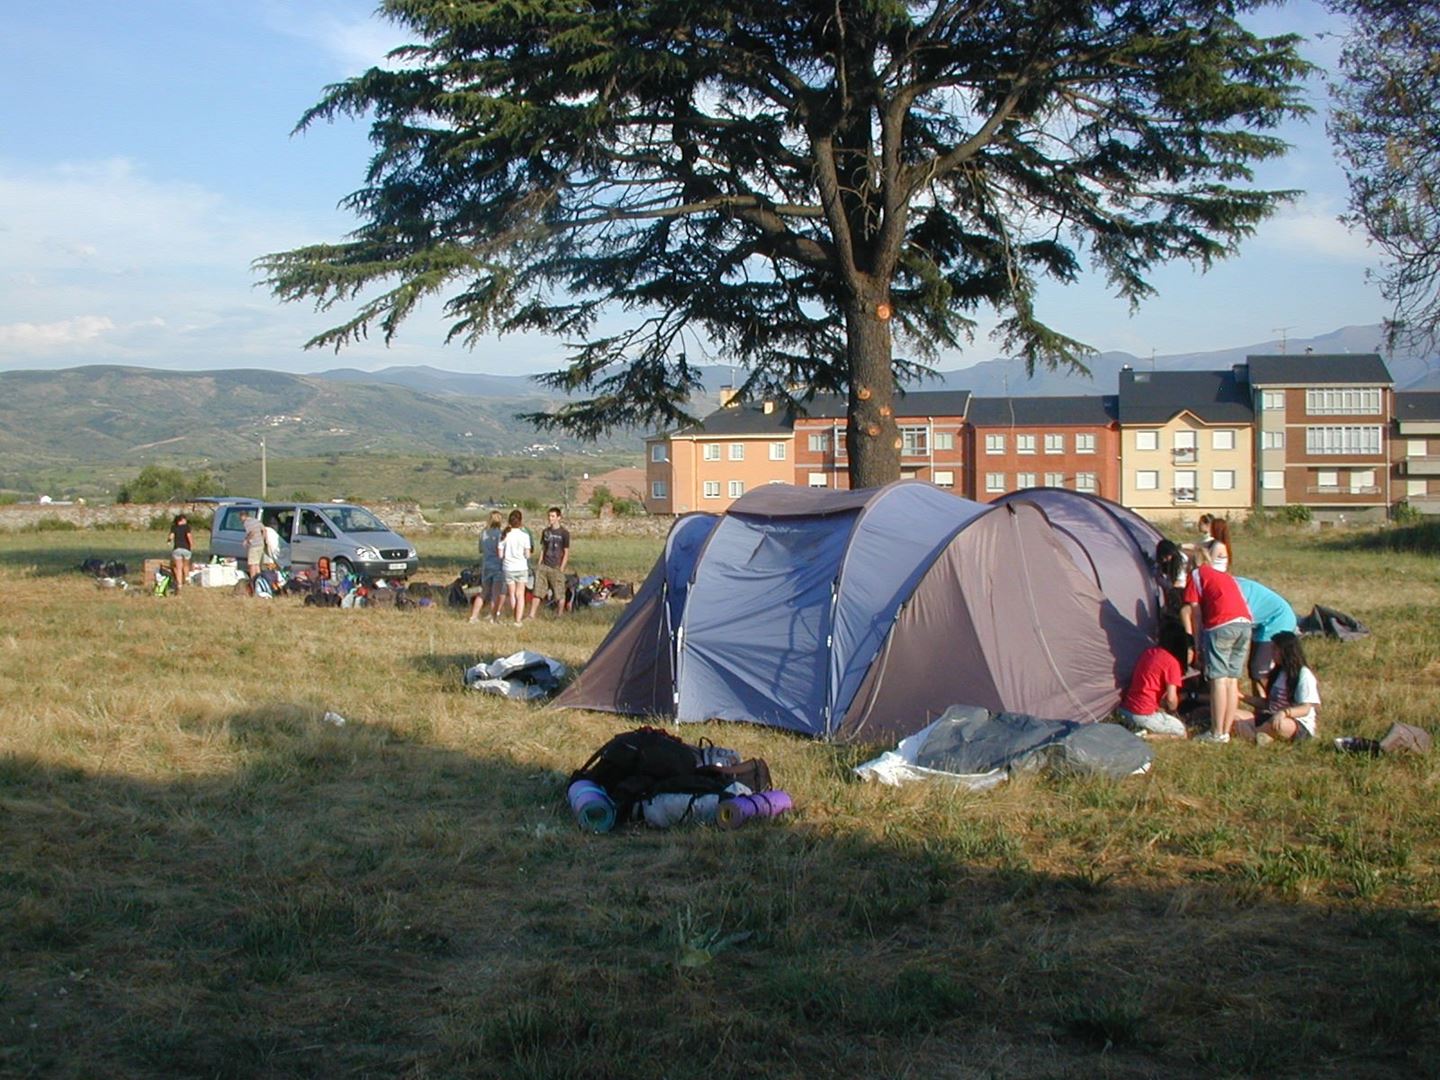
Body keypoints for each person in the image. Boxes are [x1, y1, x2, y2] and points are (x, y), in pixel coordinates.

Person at [1181, 548, 1253, 744]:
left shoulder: (1196, 575)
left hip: (1221, 625)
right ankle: (1225, 731)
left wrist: (1197, 643)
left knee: (1218, 680)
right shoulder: (1224, 576)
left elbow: (1195, 612)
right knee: (1232, 680)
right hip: (1245, 624)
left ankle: (1215, 731)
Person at [1118, 621, 1191, 737]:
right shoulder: (1172, 663)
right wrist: (1172, 710)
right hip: (1143, 714)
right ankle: (1148, 736)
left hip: (1126, 709)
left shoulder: (1149, 653)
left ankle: (1137, 729)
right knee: (1181, 732)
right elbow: (1171, 700)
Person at [1249, 631, 1321, 742]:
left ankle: (1253, 732)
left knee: (1279, 724)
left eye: (1275, 649)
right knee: (1234, 715)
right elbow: (1268, 704)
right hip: (1270, 716)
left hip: (1295, 723)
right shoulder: (1278, 672)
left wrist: (1284, 713)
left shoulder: (1303, 675)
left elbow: (1305, 708)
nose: (1271, 653)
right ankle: (1260, 734)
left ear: (1285, 652)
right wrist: (1241, 696)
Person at [1236, 576, 1299, 698]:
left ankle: (1268, 707)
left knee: (1259, 670)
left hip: (1276, 620)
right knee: (1255, 670)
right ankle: (1263, 707)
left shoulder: (1224, 586)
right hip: (1262, 621)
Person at [529, 506, 571, 618]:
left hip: (556, 566)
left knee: (559, 593)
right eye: (549, 516)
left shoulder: (564, 533)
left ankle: (559, 615)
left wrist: (562, 568)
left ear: (559, 517)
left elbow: (566, 552)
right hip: (544, 566)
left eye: (553, 516)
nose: (550, 518)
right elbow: (543, 548)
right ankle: (531, 615)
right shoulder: (546, 532)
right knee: (537, 592)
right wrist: (539, 564)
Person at [470, 510, 506, 622]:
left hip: (486, 565)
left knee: (483, 591)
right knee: (496, 593)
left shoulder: (483, 533)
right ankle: (493, 616)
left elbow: (480, 550)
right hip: (498, 566)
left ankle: (473, 616)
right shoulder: (501, 535)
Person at [499, 509, 533, 627]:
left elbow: (500, 555)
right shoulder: (524, 535)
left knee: (512, 593)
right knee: (520, 594)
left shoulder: (504, 535)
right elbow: (527, 555)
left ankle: (515, 615)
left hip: (508, 567)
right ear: (520, 521)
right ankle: (518, 620)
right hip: (521, 567)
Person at [166, 513, 194, 593]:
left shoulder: (174, 527)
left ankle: (179, 584)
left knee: (178, 568)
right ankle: (187, 579)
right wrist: (191, 545)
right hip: (186, 549)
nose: (186, 521)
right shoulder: (187, 527)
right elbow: (189, 537)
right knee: (186, 565)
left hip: (177, 549)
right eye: (184, 519)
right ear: (181, 520)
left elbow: (171, 537)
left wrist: (168, 541)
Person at [241, 511, 265, 580]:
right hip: (260, 545)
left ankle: (253, 580)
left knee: (251, 564)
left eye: (240, 518)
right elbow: (264, 530)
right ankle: (259, 579)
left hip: (254, 545)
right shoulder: (256, 521)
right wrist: (262, 540)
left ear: (243, 516)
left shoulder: (247, 523)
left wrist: (246, 540)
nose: (240, 520)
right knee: (257, 564)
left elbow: (252, 532)